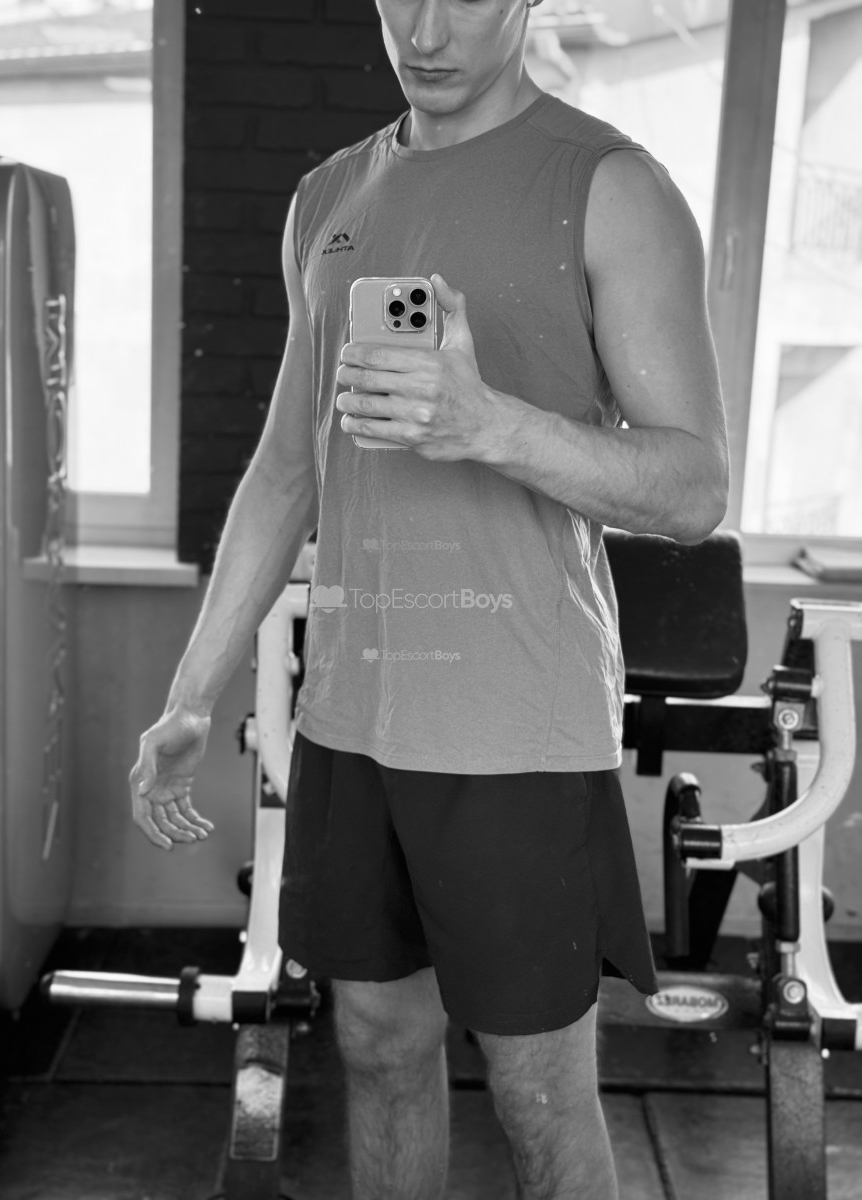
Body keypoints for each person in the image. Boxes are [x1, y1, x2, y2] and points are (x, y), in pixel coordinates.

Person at [130, 1, 729, 1197]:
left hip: (518, 730)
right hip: (353, 720)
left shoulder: (612, 189)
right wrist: (191, 694)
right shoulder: (327, 197)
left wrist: (489, 424)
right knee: (377, 1045)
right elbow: (286, 470)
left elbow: (693, 488)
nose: (429, 28)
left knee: (537, 1090)